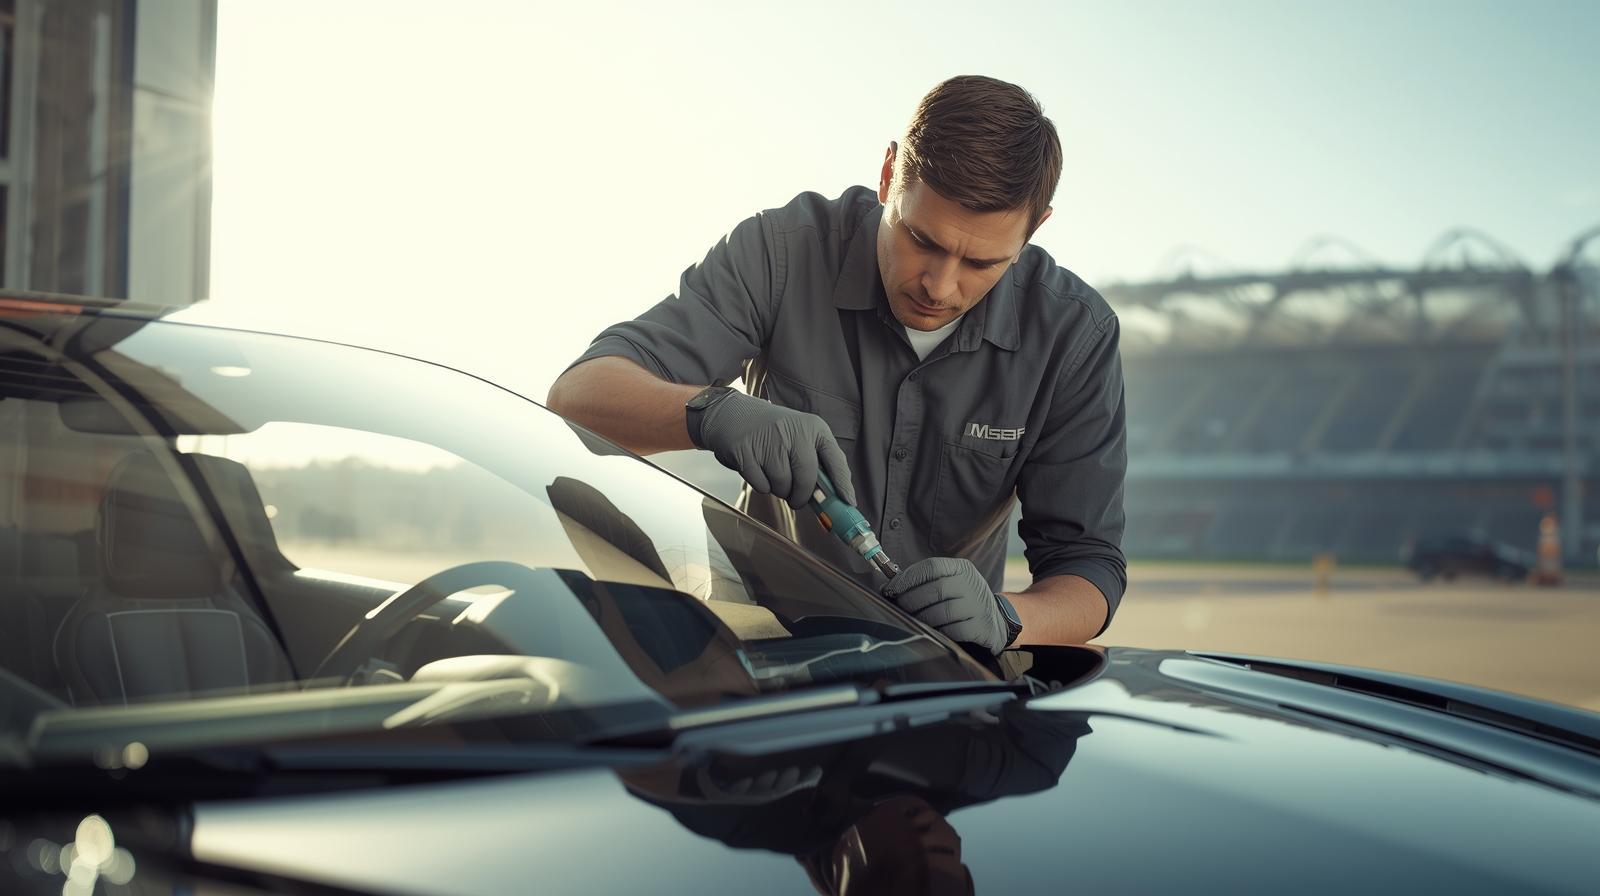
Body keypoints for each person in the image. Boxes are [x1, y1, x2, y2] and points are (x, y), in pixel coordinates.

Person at [548, 75, 1126, 651]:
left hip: (942, 672)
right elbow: (576, 397)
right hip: (751, 644)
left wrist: (1008, 619)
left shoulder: (1075, 335)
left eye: (981, 262)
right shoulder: (780, 253)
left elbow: (1089, 569)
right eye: (920, 239)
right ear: (887, 175)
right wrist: (712, 414)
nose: (939, 286)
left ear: (1036, 228)